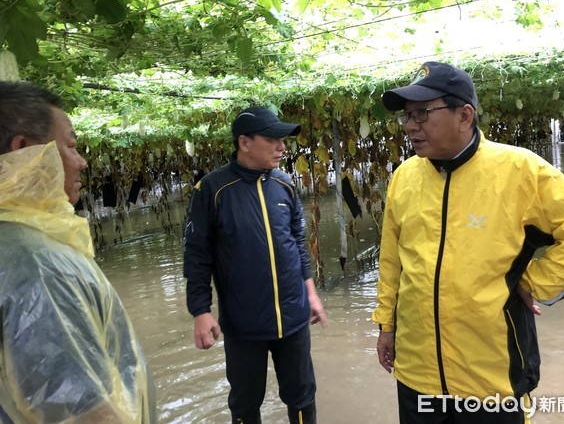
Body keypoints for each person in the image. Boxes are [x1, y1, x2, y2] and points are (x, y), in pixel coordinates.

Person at [372, 61, 564, 423]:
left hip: (491, 378)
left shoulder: (520, 171)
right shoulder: (404, 177)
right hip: (418, 374)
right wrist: (387, 325)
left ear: (464, 116)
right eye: (406, 116)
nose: (411, 126)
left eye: (422, 113)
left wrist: (532, 281)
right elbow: (392, 260)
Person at [0, 81, 155, 423]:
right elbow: (83, 411)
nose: (82, 162)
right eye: (70, 145)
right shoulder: (36, 264)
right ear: (25, 149)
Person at [183, 106, 328, 424]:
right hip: (244, 323)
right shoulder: (212, 190)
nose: (281, 146)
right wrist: (201, 311)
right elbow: (196, 255)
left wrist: (311, 295)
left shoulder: (285, 185)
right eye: (272, 138)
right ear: (244, 143)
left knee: (302, 395)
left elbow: (298, 245)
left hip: (293, 317)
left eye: (282, 139)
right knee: (246, 403)